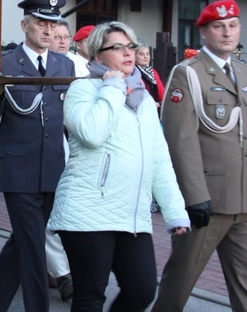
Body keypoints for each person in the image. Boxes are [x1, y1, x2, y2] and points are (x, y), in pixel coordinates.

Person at [49, 22, 190, 310]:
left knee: (142, 290)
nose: (128, 52)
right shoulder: (83, 89)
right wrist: (112, 87)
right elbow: (91, 133)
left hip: (132, 213)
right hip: (87, 211)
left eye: (131, 46)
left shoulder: (145, 99)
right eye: (117, 47)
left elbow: (159, 159)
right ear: (98, 56)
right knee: (90, 297)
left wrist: (175, 211)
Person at [152, 0, 247, 312]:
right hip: (207, 202)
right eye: (218, 27)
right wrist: (193, 197)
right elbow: (180, 140)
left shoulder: (243, 73)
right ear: (203, 32)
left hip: (245, 203)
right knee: (179, 282)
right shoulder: (188, 74)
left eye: (232, 25)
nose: (227, 33)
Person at [0, 0, 75, 312]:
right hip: (18, 171)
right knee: (33, 247)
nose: (48, 31)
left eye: (53, 24)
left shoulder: (65, 63)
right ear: (24, 25)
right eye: (41, 23)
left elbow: (68, 120)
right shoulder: (4, 64)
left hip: (52, 170)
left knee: (23, 240)